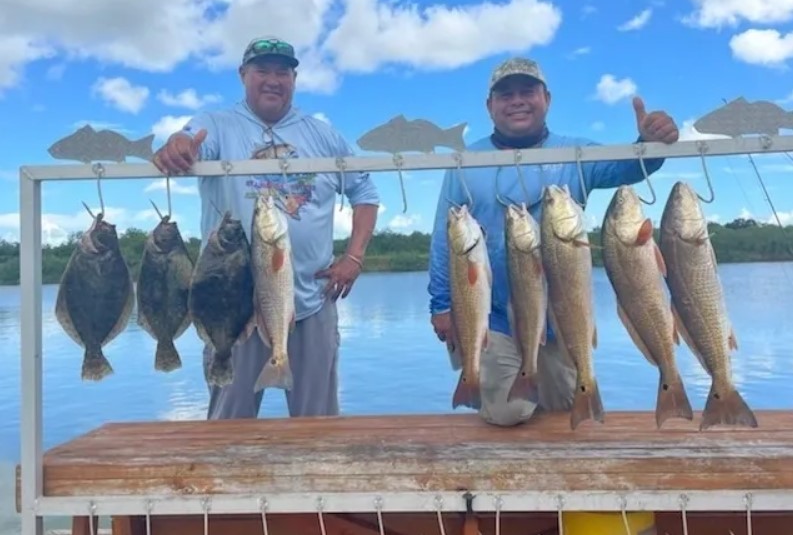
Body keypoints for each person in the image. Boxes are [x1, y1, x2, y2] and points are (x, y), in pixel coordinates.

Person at [427, 57, 679, 427]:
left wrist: (648, 144)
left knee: (564, 410)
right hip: (489, 314)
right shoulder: (464, 163)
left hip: (560, 313)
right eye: (505, 94)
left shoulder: (574, 153)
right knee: (508, 412)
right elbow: (442, 240)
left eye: (527, 92)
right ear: (489, 106)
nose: (517, 101)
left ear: (547, 98)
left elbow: (625, 167)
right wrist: (441, 304)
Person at [152, 36, 380, 419]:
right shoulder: (217, 124)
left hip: (311, 301)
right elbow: (190, 139)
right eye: (262, 71)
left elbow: (365, 191)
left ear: (294, 78)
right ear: (244, 75)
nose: (273, 80)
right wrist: (179, 145)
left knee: (318, 426)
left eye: (282, 72)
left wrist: (354, 256)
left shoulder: (322, 134)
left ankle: (312, 478)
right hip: (231, 305)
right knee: (228, 423)